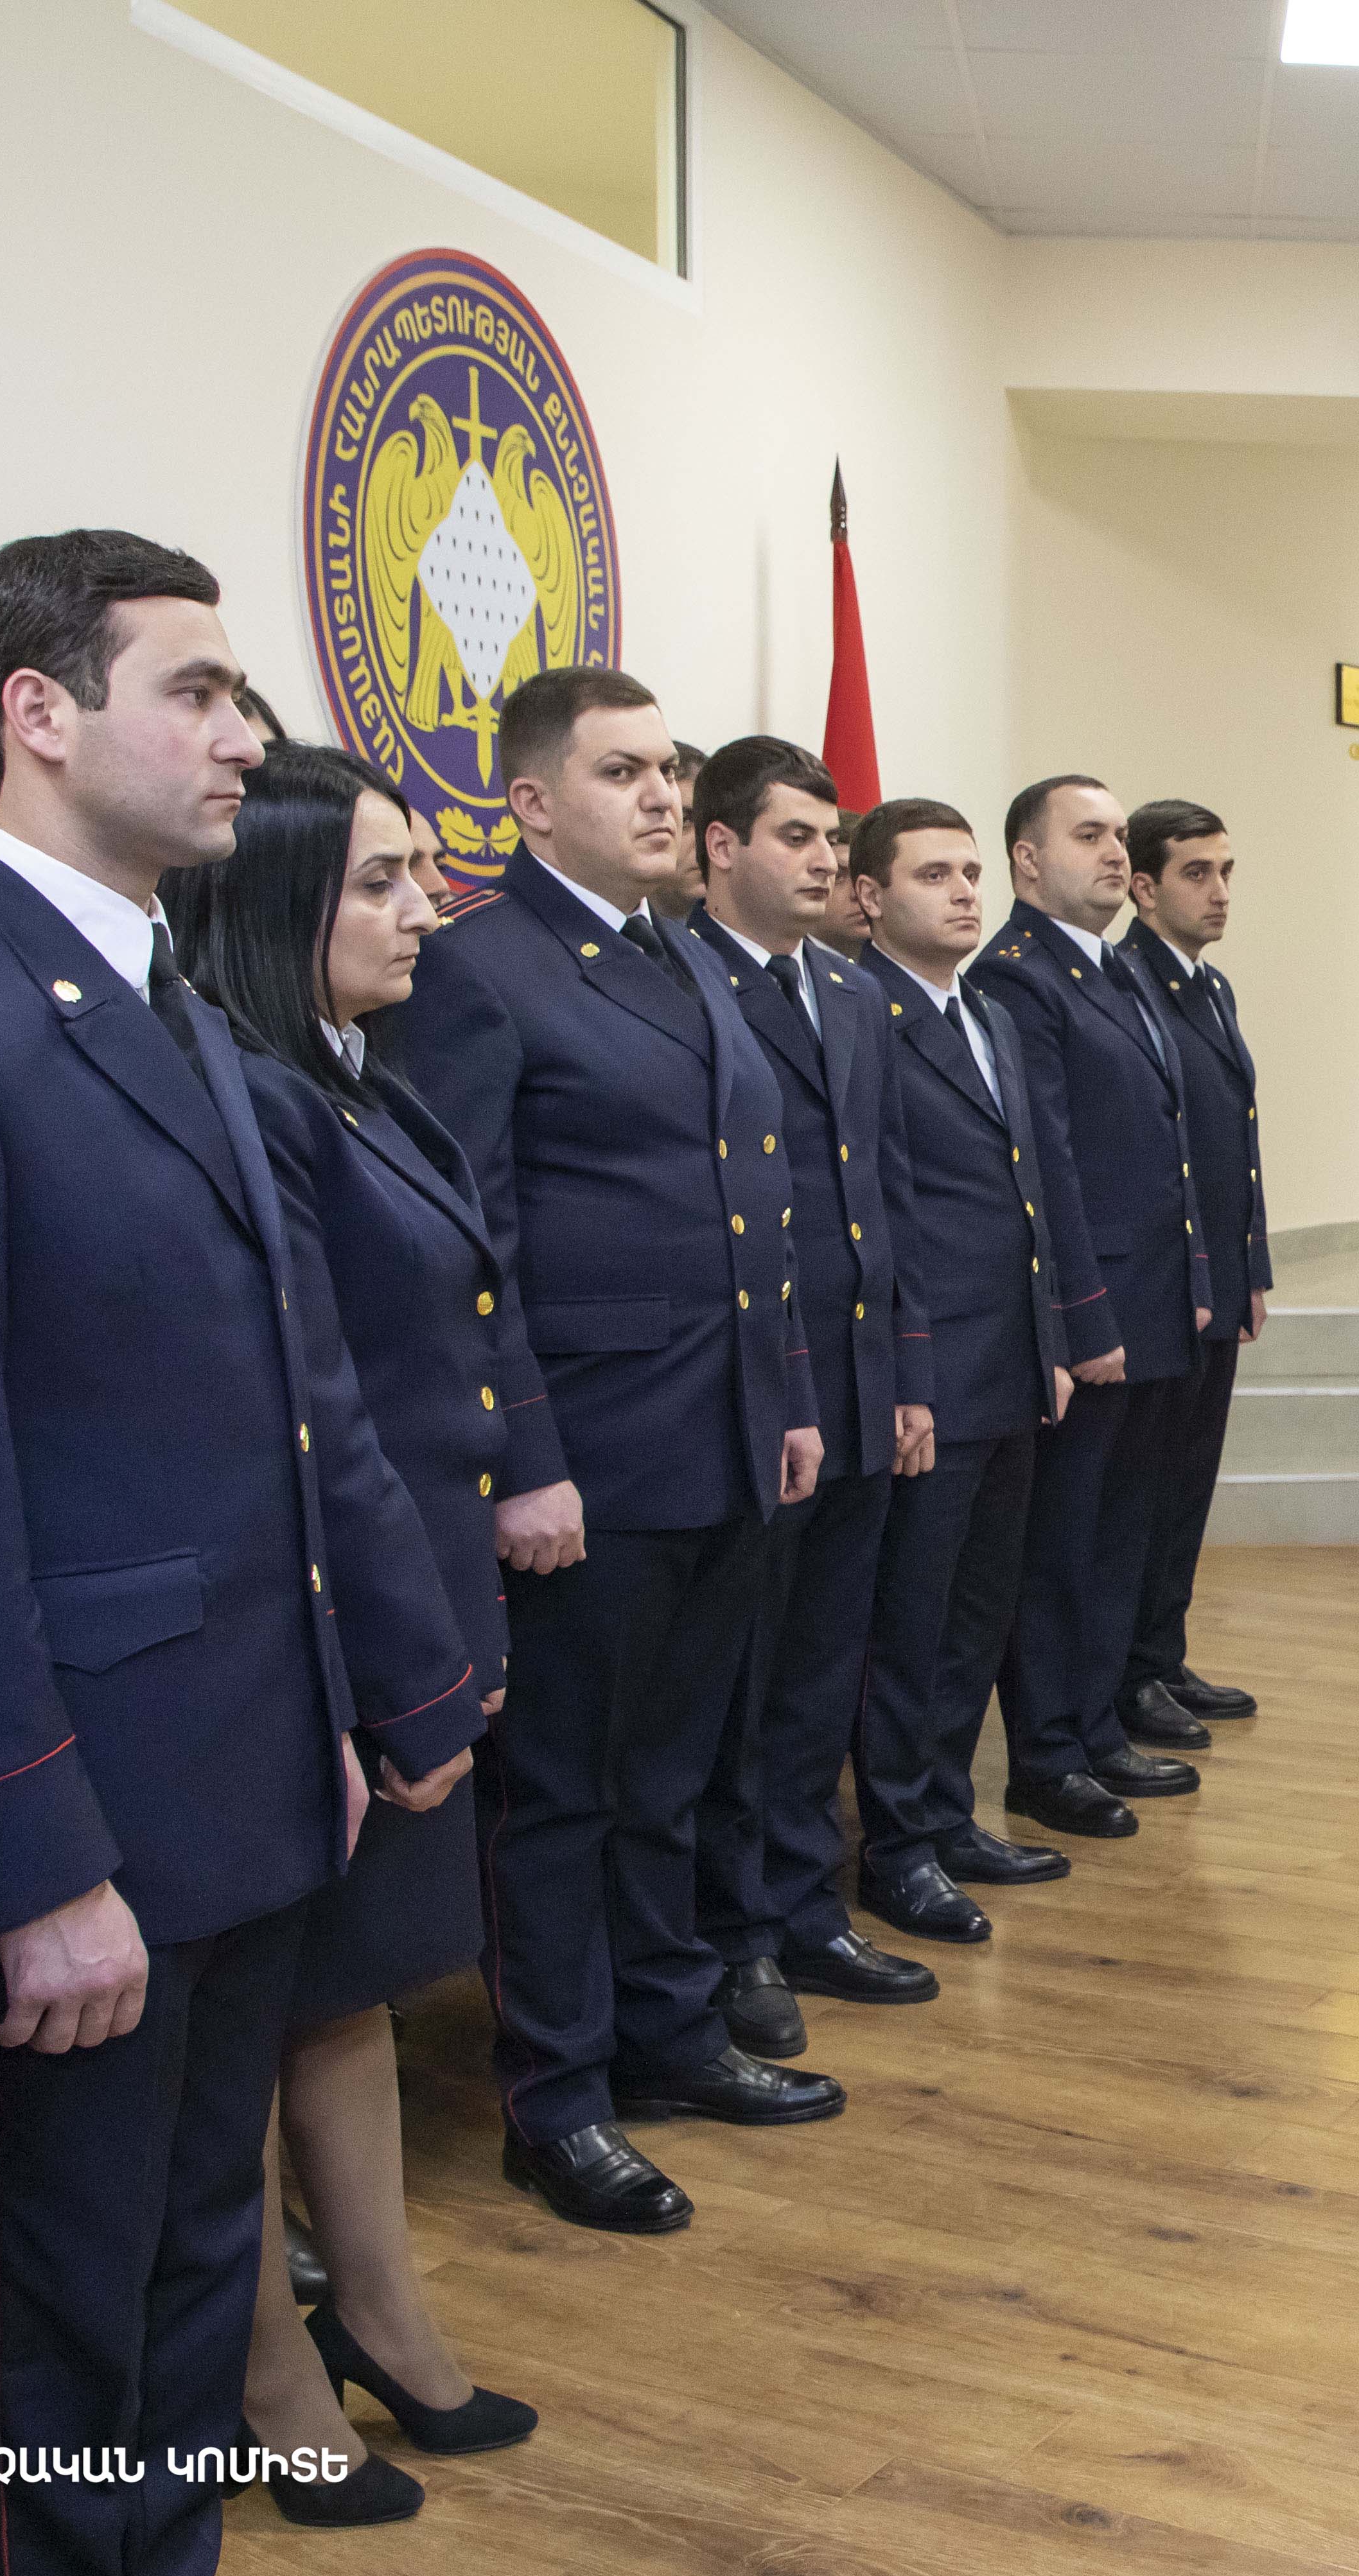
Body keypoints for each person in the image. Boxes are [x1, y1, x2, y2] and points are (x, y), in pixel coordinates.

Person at [0, 529, 481, 2576]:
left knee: (187, 2239)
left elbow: (297, 1402)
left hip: (247, 1753)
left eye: (240, 695)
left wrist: (376, 1690)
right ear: (39, 713)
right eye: (197, 690)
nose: (243, 734)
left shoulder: (173, 1003)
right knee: (74, 2268)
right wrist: (32, 1850)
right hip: (90, 1792)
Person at [391, 667, 834, 2241]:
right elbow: (471, 1242)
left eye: (666, 770)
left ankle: (667, 2027)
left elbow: (752, 1203)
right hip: (589, 1452)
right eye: (621, 772)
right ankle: (558, 2094)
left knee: (671, 1770)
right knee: (562, 1794)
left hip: (720, 1436)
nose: (661, 795)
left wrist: (786, 1394)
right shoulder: (479, 969)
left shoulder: (677, 954)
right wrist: (520, 1456)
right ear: (528, 802)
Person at [162, 746, 539, 2528]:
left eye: (418, 873)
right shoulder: (251, 1095)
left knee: (352, 1988)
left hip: (417, 1598)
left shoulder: (357, 1076)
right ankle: (267, 2371)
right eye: (379, 881)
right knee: (255, 2025)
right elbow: (308, 1412)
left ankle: (383, 2310)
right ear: (273, 900)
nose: (422, 908)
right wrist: (389, 1661)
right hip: (324, 1627)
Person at [680, 736, 942, 2049]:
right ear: (720, 845)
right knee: (741, 1685)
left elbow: (882, 1193)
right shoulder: (685, 982)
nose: (826, 860)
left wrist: (904, 1372)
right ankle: (734, 1936)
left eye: (834, 840)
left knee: (821, 1672)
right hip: (753, 1393)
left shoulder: (848, 990)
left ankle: (803, 1902)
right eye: (797, 837)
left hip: (855, 1381)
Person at [840, 800, 1087, 1918]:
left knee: (977, 1615)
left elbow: (1027, 1194)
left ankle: (945, 1814)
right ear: (870, 895)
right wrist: (908, 1376)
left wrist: (1053, 1341)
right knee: (912, 1626)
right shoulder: (865, 1014)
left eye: (970, 872)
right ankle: (897, 1847)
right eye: (932, 874)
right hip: (932, 1374)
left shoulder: (983, 1011)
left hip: (1010, 1363)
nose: (962, 893)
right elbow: (884, 1213)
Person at [969, 775, 1208, 1822]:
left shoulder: (1112, 968)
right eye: (1088, 835)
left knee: (1118, 1535)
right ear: (1028, 861)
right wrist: (1083, 1313)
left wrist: (1193, 1280)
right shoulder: (1019, 977)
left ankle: (1098, 1725)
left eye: (1118, 835)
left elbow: (1165, 1149)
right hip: (1096, 1308)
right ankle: (1048, 1753)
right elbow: (1049, 1163)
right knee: (1063, 1545)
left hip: (1153, 1299)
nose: (1115, 852)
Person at [1110, 798, 1267, 1754]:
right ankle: (1129, 1672)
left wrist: (1252, 1264)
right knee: (1146, 1487)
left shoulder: (1211, 988)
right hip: (1164, 1282)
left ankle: (1162, 1653)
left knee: (1188, 1483)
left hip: (1216, 1275)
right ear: (1143, 886)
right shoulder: (1127, 985)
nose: (1218, 892)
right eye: (1195, 873)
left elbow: (1235, 1141)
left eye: (1225, 872)